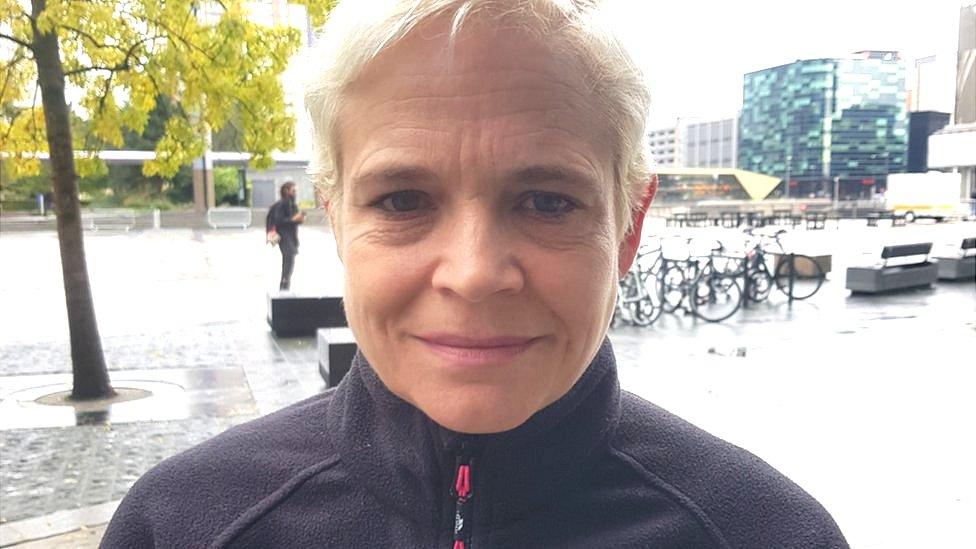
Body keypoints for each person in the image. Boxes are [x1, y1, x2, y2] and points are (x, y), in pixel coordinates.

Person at [102, 1, 849, 547]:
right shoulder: (179, 526)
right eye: (402, 199)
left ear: (629, 225)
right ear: (335, 219)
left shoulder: (771, 533)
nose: (474, 273)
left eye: (547, 201)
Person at [267, 181, 305, 291]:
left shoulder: (292, 205)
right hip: (284, 237)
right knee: (288, 260)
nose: (295, 193)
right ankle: (284, 285)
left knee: (290, 260)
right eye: (293, 191)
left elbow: (294, 221)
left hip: (292, 237)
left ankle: (285, 284)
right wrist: (293, 219)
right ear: (286, 190)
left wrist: (299, 219)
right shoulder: (282, 204)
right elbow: (279, 221)